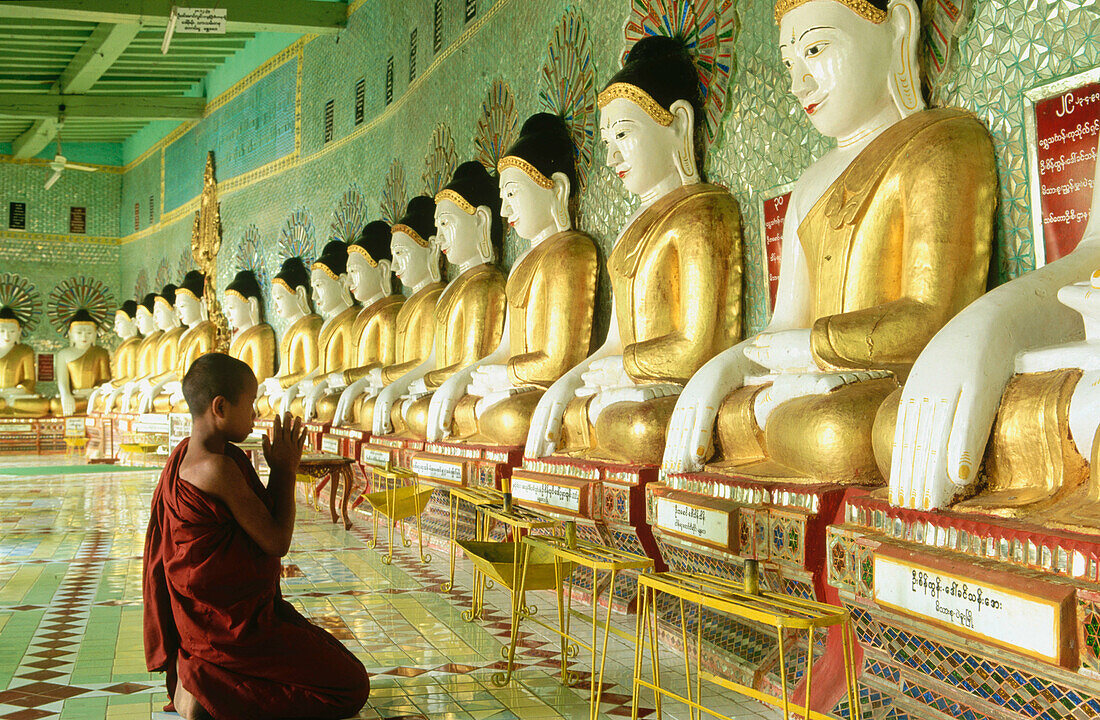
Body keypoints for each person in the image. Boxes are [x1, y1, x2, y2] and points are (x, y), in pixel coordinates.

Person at [142, 353, 369, 720]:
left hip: (221, 620)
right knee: (351, 686)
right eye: (250, 404)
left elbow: (255, 523)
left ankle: (204, 675)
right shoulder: (217, 468)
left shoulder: (187, 454)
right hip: (232, 629)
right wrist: (285, 469)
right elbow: (275, 541)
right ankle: (206, 688)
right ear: (220, 406)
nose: (255, 413)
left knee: (331, 657)